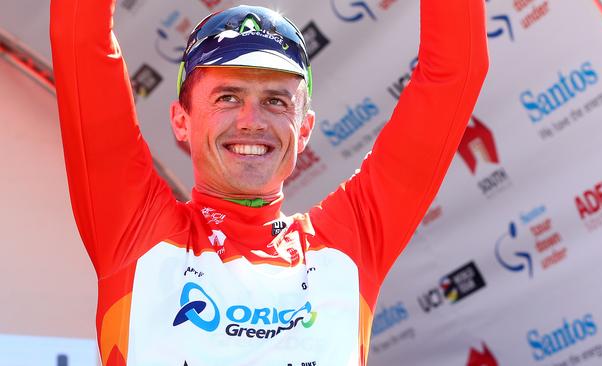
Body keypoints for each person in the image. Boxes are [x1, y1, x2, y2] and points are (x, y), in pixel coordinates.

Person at [50, 0, 488, 364]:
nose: (251, 120)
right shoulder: (135, 229)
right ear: (181, 121)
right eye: (228, 97)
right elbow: (80, 40)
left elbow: (455, 72)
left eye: (276, 101)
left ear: (304, 129)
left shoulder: (350, 243)